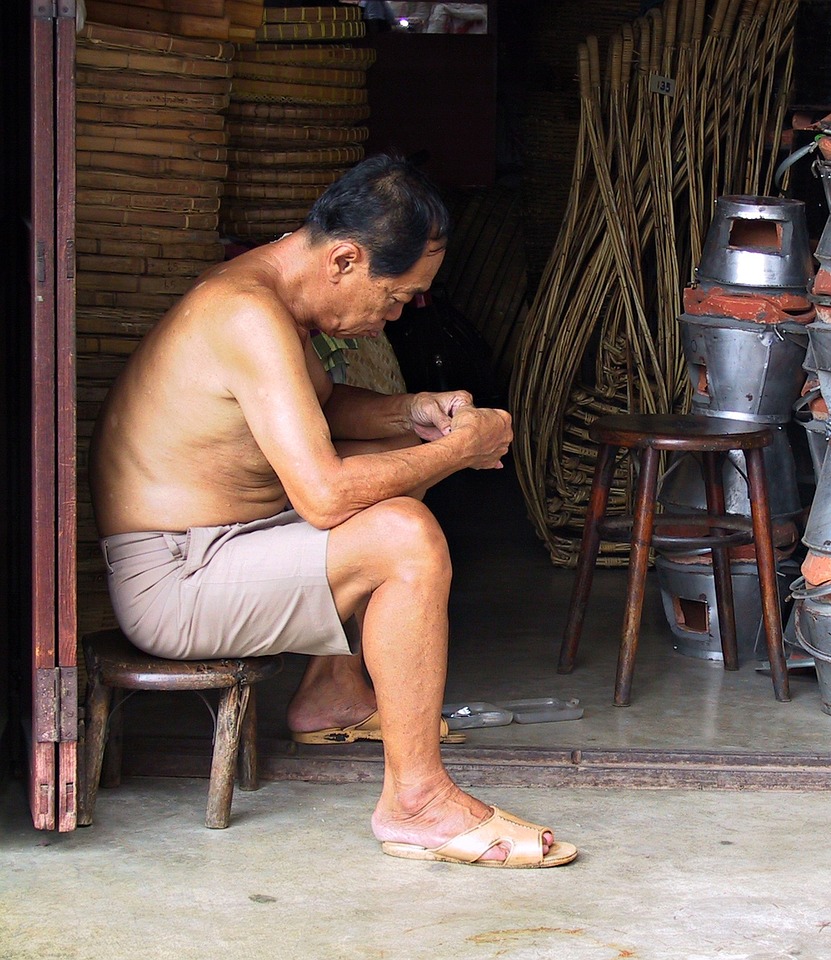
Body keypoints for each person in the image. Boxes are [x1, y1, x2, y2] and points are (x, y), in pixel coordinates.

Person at [88, 154, 576, 868]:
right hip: (174, 583)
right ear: (345, 258)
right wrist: (459, 451)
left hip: (223, 549)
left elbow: (316, 409)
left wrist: (417, 413)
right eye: (398, 294)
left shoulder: (272, 300)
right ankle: (418, 803)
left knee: (391, 487)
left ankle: (334, 693)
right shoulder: (245, 314)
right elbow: (320, 496)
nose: (399, 314)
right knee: (402, 534)